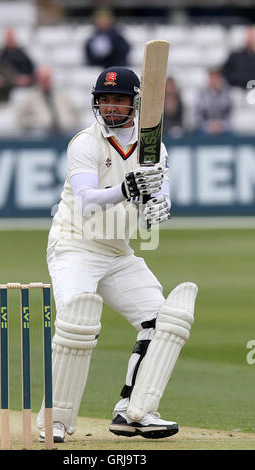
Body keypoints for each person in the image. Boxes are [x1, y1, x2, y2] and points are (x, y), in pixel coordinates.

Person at [36, 66, 198, 443]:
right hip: (74, 245)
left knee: (163, 323)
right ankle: (54, 420)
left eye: (119, 99)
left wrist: (159, 207)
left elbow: (161, 193)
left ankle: (134, 411)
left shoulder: (153, 145)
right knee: (78, 323)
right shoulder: (85, 143)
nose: (110, 107)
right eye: (104, 100)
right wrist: (126, 190)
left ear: (134, 103)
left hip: (117, 251)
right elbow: (88, 200)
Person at [15, 64, 80, 135]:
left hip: (63, 132)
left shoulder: (61, 95)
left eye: (47, 79)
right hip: (42, 134)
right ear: (38, 79)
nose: (46, 82)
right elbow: (20, 118)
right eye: (43, 79)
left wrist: (69, 122)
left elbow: (76, 112)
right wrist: (35, 123)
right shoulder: (31, 97)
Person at [195, 68, 233, 135]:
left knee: (231, 133)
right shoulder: (202, 95)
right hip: (205, 128)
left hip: (223, 128)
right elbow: (198, 117)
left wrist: (220, 125)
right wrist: (209, 125)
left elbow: (229, 115)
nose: (214, 81)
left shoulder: (226, 94)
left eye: (216, 79)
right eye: (212, 79)